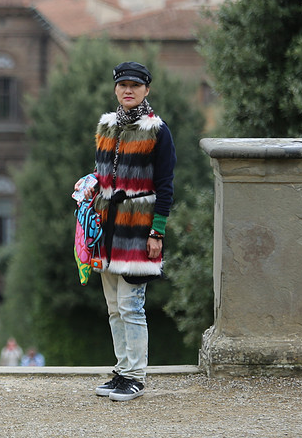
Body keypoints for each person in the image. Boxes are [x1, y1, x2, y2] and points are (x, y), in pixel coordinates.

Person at [90, 61, 175, 402]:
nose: (128, 90)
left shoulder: (158, 130)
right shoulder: (106, 126)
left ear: (146, 90)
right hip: (105, 230)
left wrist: (157, 233)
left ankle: (136, 376)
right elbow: (102, 176)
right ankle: (122, 370)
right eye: (122, 84)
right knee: (113, 306)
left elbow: (166, 186)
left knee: (131, 305)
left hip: (138, 229)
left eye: (135, 85)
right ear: (115, 89)